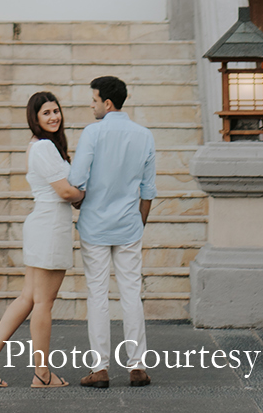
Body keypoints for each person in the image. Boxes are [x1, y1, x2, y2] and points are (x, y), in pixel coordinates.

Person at [0, 90, 85, 389]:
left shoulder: (44, 147)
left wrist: (74, 194)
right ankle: (42, 374)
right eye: (46, 113)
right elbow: (65, 191)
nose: (54, 116)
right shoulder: (44, 148)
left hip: (45, 225)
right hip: (50, 228)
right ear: (35, 118)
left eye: (56, 111)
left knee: (28, 298)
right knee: (43, 303)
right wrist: (82, 195)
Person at [69, 73, 156, 390]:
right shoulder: (144, 135)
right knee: (132, 294)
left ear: (107, 102)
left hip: (94, 225)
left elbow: (77, 178)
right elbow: (148, 191)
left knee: (98, 295)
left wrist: (78, 199)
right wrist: (138, 222)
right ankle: (137, 367)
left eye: (93, 100)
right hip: (129, 226)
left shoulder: (93, 133)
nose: (91, 106)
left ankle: (100, 368)